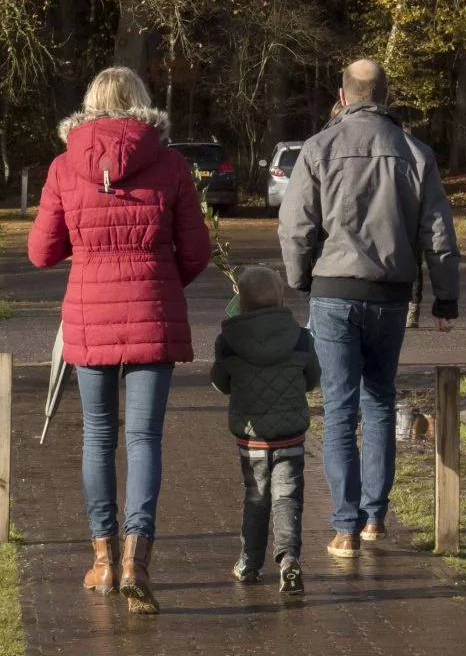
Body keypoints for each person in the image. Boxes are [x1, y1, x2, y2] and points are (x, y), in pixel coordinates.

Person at [28, 66, 212, 616]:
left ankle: (104, 560)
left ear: (89, 105)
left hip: (89, 318)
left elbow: (40, 252)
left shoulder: (65, 167)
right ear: (142, 103)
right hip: (152, 316)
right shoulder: (172, 164)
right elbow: (197, 251)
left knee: (97, 438)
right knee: (145, 439)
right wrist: (156, 283)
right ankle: (137, 558)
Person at [278, 58, 459, 558]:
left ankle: (345, 527)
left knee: (339, 410)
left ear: (343, 96)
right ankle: (375, 517)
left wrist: (301, 280)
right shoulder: (415, 152)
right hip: (390, 294)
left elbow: (294, 227)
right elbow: (438, 234)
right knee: (379, 400)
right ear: (386, 95)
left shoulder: (317, 148)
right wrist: (446, 297)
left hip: (334, 291)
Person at [211, 264, 322, 596]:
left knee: (256, 498)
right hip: (290, 435)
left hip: (252, 436)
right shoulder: (301, 337)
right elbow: (312, 379)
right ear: (280, 299)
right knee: (288, 498)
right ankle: (289, 557)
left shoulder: (228, 342)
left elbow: (221, 383)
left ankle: (250, 562)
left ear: (241, 303)